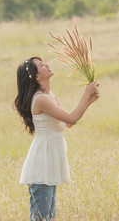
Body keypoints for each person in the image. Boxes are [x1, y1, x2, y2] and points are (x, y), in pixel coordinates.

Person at [14, 56, 100, 220]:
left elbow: (68, 123)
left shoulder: (49, 96)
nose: (46, 64)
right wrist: (85, 93)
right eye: (41, 65)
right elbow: (72, 119)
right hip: (42, 166)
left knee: (49, 217)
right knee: (42, 217)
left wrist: (88, 100)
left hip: (50, 163)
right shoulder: (40, 99)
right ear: (37, 76)